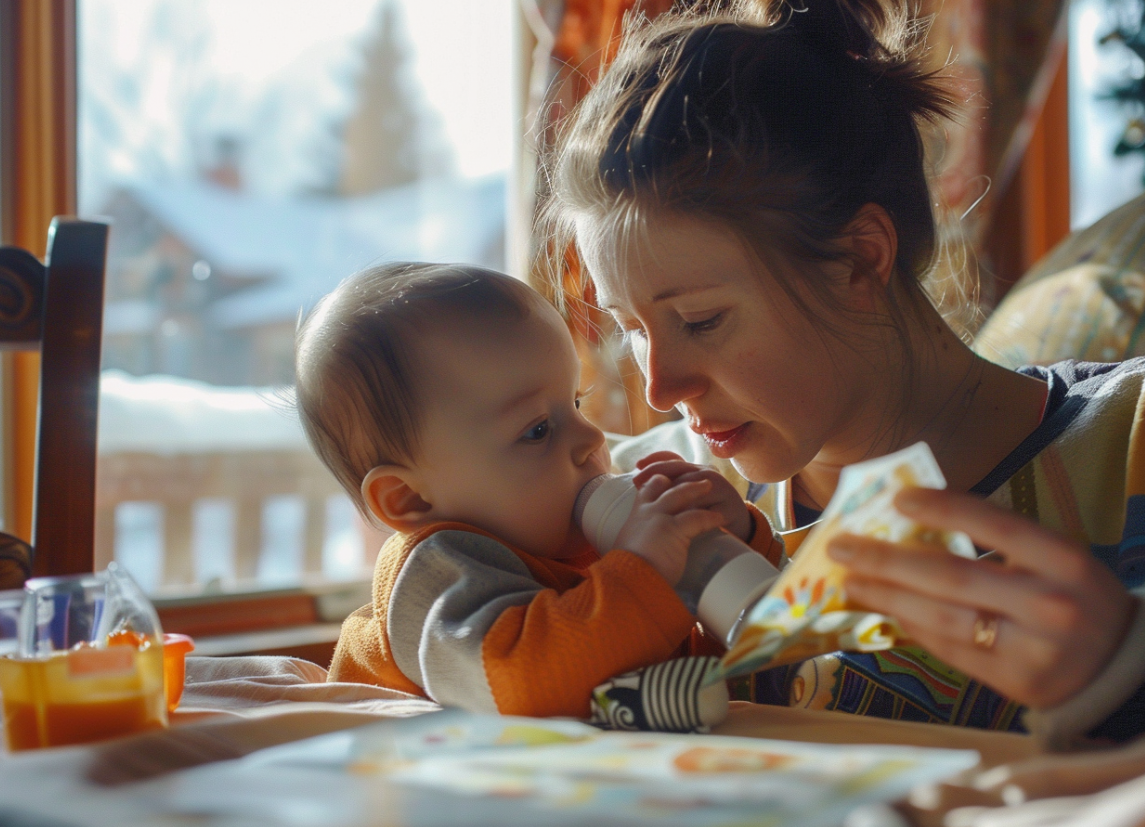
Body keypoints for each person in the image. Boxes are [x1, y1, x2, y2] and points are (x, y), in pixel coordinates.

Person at [543, 0, 1145, 746]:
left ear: (861, 256)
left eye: (700, 320)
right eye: (633, 330)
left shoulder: (1126, 449)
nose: (660, 389)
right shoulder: (655, 505)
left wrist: (1120, 674)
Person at [294, 262, 784, 718]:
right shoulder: (437, 575)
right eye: (537, 430)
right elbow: (525, 685)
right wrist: (647, 570)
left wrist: (730, 542)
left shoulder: (596, 555)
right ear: (409, 499)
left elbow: (728, 660)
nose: (592, 438)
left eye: (575, 402)